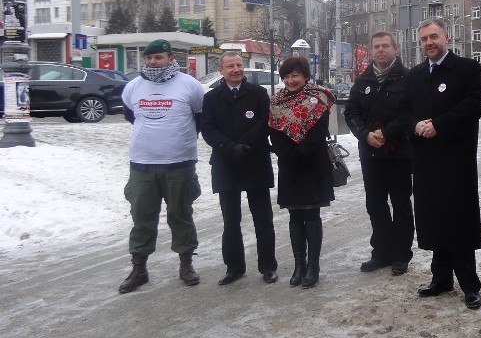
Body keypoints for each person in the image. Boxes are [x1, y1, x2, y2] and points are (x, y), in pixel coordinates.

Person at [401, 19, 481, 310]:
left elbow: (473, 106)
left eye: (433, 36)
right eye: (424, 39)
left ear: (446, 37)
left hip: (456, 159)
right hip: (425, 160)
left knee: (458, 220)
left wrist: (439, 125)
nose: (429, 43)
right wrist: (415, 125)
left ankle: (469, 285)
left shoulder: (466, 69)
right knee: (433, 218)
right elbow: (403, 113)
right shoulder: (413, 76)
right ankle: (441, 278)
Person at [118, 38, 205, 294]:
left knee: (181, 214)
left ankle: (186, 265)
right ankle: (139, 269)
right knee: (142, 217)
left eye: (158, 57)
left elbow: (199, 117)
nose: (153, 62)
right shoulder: (134, 86)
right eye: (149, 58)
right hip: (142, 163)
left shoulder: (190, 85)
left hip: (179, 163)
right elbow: (130, 115)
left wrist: (177, 139)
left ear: (170, 58)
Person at [201, 51, 278, 286]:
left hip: (254, 160)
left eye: (239, 65)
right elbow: (208, 128)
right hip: (226, 163)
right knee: (230, 219)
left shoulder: (258, 93)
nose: (236, 69)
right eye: (230, 66)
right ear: (221, 71)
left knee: (262, 218)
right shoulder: (211, 98)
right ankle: (234, 267)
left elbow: (265, 122)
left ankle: (268, 266)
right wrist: (229, 147)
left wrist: (245, 144)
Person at [344, 31, 414, 276]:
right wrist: (365, 134)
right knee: (375, 204)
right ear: (371, 50)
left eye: (386, 46)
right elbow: (350, 113)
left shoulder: (407, 78)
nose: (381, 50)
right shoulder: (362, 81)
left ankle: (402, 254)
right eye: (376, 46)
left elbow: (410, 113)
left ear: (395, 49)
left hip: (399, 153)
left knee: (401, 204)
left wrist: (386, 132)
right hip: (370, 154)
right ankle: (381, 252)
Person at [268, 56, 335, 289]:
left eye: (295, 75)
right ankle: (299, 265)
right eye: (286, 76)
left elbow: (320, 132)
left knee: (311, 216)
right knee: (294, 216)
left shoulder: (318, 98)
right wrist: (285, 153)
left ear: (305, 76)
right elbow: (274, 132)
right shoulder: (277, 101)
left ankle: (313, 266)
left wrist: (298, 153)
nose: (290, 80)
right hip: (288, 165)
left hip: (312, 163)